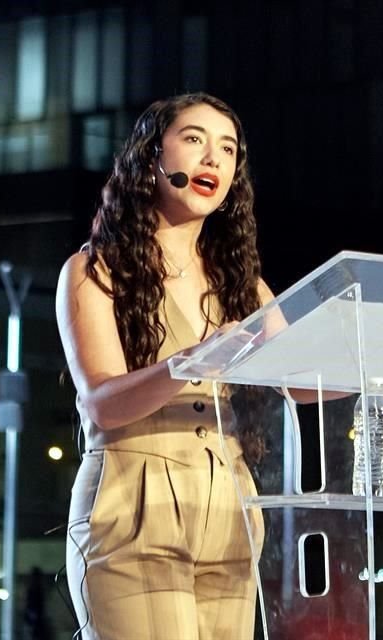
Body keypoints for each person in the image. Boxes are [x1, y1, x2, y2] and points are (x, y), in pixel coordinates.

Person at [57, 92, 274, 639]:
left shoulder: (243, 285)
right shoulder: (94, 269)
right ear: (151, 157)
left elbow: (303, 383)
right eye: (194, 140)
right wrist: (188, 362)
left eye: (227, 150)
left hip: (230, 511)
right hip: (133, 505)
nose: (212, 160)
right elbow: (101, 403)